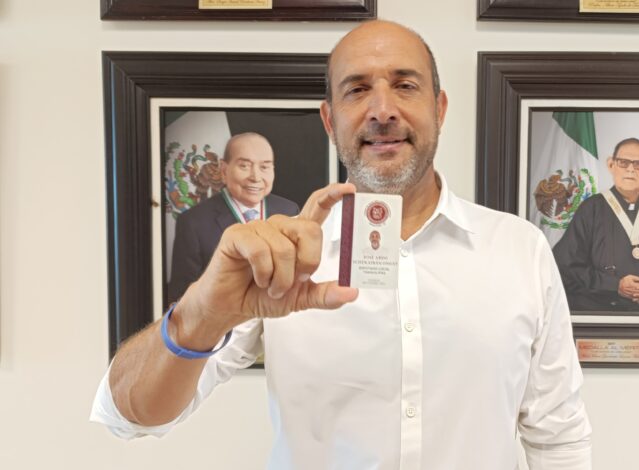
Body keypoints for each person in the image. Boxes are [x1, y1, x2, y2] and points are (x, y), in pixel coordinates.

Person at [92, 21, 591, 469]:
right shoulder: (279, 258)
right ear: (330, 120)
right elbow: (128, 416)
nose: (382, 110)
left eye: (405, 85)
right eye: (357, 90)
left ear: (438, 109)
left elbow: (558, 439)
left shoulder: (520, 249)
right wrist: (203, 312)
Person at [553, 137, 639, 312]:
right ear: (611, 165)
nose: (631, 169)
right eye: (623, 162)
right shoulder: (590, 209)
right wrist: (614, 285)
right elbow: (564, 267)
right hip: (602, 316)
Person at [167, 132, 299, 303]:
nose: (256, 177)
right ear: (224, 170)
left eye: (264, 167)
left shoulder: (289, 210)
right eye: (244, 166)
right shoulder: (193, 222)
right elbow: (181, 299)